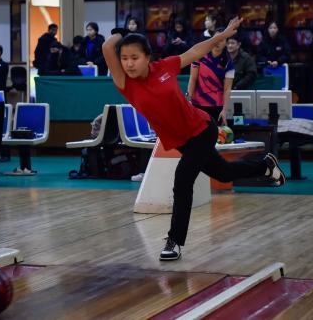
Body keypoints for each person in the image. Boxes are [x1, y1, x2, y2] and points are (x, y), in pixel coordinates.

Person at [102, 17, 286, 261]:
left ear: (148, 57)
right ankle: (265, 165)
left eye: (134, 58)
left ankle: (174, 242)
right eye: (124, 58)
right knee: (222, 173)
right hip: (182, 141)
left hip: (202, 129)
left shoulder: (165, 67)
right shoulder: (125, 83)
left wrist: (222, 35)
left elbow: (196, 50)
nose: (129, 64)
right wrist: (122, 34)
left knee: (182, 180)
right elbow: (107, 47)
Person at [187, 32, 234, 123]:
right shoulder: (199, 55)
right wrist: (188, 99)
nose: (218, 42)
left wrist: (224, 110)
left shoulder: (228, 63)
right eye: (216, 38)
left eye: (222, 40)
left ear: (225, 43)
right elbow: (193, 79)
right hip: (198, 104)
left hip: (216, 106)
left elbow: (227, 88)